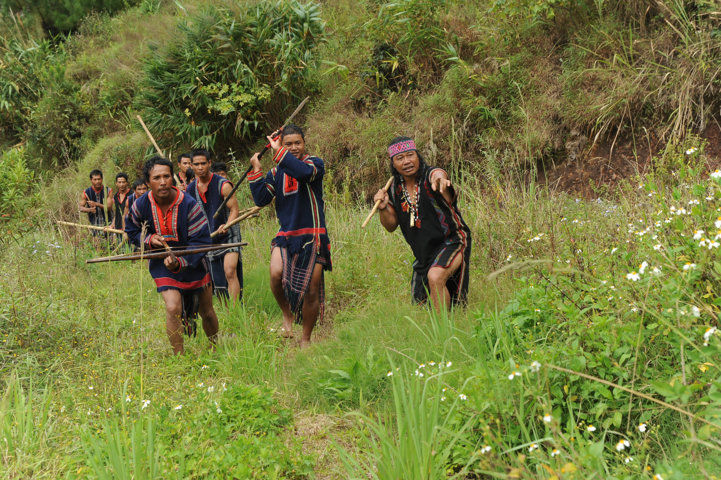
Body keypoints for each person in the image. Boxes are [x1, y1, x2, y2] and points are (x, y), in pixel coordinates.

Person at [125, 156, 219, 354]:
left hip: (193, 263)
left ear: (172, 178)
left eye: (166, 176)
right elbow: (132, 231)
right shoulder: (140, 205)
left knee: (207, 312)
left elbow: (201, 241)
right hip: (161, 263)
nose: (162, 182)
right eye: (156, 177)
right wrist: (149, 239)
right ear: (148, 182)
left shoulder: (189, 204)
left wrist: (180, 262)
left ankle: (215, 348)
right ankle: (180, 357)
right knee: (172, 308)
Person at [248, 124, 331, 347]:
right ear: (282, 144)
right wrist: (256, 170)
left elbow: (303, 173)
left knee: (311, 290)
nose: (294, 148)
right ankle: (287, 314)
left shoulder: (314, 164)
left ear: (305, 144)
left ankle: (305, 339)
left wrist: (279, 152)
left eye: (298, 143)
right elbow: (261, 199)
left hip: (313, 235)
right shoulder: (276, 172)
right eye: (288, 144)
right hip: (286, 235)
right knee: (275, 274)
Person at [373, 136, 471, 311]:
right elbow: (390, 226)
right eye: (400, 158)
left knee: (435, 276)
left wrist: (441, 179)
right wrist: (382, 208)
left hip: (453, 240)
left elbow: (438, 174)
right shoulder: (394, 189)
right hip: (424, 253)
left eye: (410, 155)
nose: (407, 161)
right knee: (421, 305)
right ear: (393, 164)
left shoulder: (429, 176)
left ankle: (444, 332)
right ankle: (443, 326)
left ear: (418, 156)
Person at [186, 149, 243, 302]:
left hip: (229, 234)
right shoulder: (190, 190)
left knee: (230, 271)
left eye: (203, 163)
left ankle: (235, 310)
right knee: (216, 279)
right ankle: (225, 308)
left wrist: (227, 224)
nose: (200, 168)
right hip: (209, 237)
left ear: (209, 163)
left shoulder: (223, 185)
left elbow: (234, 209)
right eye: (196, 164)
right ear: (191, 165)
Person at [79, 169, 112, 236]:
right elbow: (80, 207)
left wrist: (96, 204)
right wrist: (89, 210)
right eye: (95, 179)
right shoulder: (86, 192)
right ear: (91, 180)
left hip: (108, 224)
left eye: (99, 179)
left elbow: (108, 207)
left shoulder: (108, 190)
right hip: (94, 224)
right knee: (98, 244)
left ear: (102, 179)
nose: (97, 182)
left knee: (110, 244)